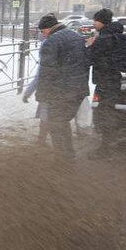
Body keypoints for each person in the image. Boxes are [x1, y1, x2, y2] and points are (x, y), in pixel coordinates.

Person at [35, 14, 90, 158]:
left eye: (42, 31)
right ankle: (67, 153)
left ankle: (63, 157)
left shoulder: (51, 42)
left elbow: (47, 71)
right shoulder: (75, 36)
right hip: (78, 89)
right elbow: (85, 63)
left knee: (55, 123)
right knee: (62, 121)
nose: (42, 35)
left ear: (48, 29)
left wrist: (42, 95)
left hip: (62, 91)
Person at [86, 8, 126, 152]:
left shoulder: (104, 38)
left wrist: (90, 45)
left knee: (105, 112)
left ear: (102, 21)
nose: (94, 22)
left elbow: (90, 58)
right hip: (114, 78)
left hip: (105, 79)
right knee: (109, 110)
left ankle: (106, 147)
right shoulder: (117, 35)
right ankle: (109, 143)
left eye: (96, 20)